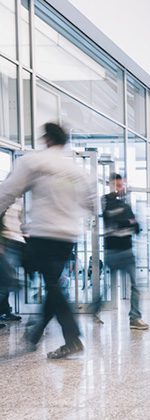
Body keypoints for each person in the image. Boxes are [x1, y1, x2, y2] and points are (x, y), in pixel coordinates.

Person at [0, 122, 95, 359]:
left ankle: (72, 338)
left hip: (43, 234)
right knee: (53, 283)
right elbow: (92, 204)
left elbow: (8, 191)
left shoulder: (35, 162)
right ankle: (34, 334)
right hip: (68, 237)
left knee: (50, 283)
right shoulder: (78, 170)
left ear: (47, 139)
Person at [93, 174, 148, 329]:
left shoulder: (126, 206)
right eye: (116, 185)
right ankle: (95, 310)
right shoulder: (106, 201)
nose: (119, 188)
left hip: (128, 251)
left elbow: (136, 228)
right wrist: (128, 222)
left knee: (136, 285)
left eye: (121, 185)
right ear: (110, 185)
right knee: (108, 286)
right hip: (113, 251)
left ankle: (135, 318)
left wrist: (128, 222)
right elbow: (113, 220)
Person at [0, 199, 24, 322]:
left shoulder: (18, 201)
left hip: (15, 242)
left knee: (6, 282)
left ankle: (5, 311)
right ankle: (5, 311)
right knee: (5, 282)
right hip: (7, 243)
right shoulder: (5, 199)